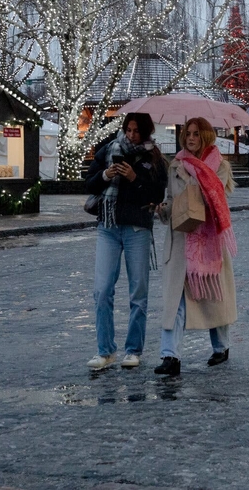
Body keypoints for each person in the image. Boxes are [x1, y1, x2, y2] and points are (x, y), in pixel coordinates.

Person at [84, 112, 168, 370]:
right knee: (102, 290)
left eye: (137, 131)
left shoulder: (154, 157)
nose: (132, 135)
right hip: (108, 227)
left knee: (138, 292)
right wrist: (107, 175)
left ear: (146, 132)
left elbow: (157, 192)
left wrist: (134, 177)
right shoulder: (109, 148)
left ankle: (133, 350)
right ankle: (105, 351)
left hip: (137, 229)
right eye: (129, 129)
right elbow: (89, 183)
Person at [155, 117, 238, 377]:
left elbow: (212, 197)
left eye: (195, 134)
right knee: (175, 301)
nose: (190, 138)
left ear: (205, 136)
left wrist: (192, 176)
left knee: (213, 295)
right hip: (180, 240)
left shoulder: (219, 166)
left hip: (208, 240)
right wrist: (162, 211)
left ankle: (221, 347)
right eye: (187, 133)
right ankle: (170, 356)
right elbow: (171, 201)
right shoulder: (176, 165)